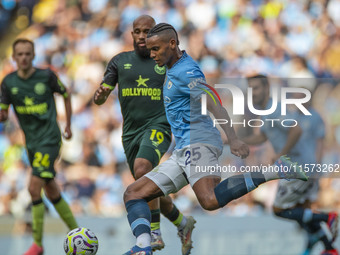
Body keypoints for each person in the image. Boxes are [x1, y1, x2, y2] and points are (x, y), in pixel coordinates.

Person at [121, 23, 308, 255]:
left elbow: (212, 101)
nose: (152, 55)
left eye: (156, 49)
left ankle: (275, 170)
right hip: (184, 148)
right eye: (150, 50)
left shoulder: (187, 71)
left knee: (209, 200)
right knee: (133, 193)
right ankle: (142, 248)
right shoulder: (171, 65)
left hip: (199, 141)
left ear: (172, 44)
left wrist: (234, 137)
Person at [93, 15, 195, 254]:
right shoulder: (119, 61)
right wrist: (99, 96)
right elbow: (102, 93)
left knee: (142, 170)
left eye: (146, 31)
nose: (141, 36)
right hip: (130, 135)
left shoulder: (165, 61)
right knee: (147, 188)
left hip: (158, 126)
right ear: (131, 34)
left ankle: (154, 233)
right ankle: (183, 223)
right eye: (137, 31)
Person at [244, 75, 338, 255]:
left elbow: (316, 142)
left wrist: (314, 167)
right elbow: (268, 136)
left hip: (303, 167)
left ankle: (327, 220)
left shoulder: (313, 117)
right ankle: (326, 246)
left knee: (282, 210)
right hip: (295, 166)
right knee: (300, 212)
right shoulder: (288, 114)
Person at [0, 38, 78, 255]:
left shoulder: (46, 76)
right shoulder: (8, 83)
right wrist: (3, 115)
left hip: (50, 140)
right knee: (50, 189)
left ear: (33, 56)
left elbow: (65, 93)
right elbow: (3, 112)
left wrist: (69, 125)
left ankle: (37, 244)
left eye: (28, 53)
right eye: (20, 54)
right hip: (31, 144)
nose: (24, 57)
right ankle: (78, 233)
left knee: (34, 187)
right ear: (14, 57)